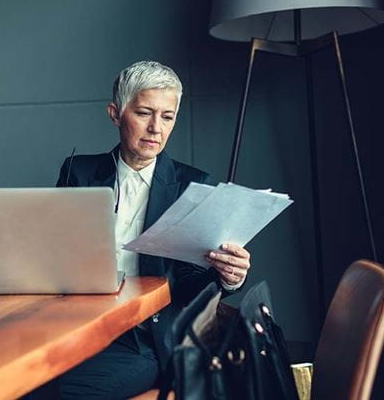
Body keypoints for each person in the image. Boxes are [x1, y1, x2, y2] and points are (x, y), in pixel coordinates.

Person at [56, 61, 251, 399]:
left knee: (68, 394)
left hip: (145, 337)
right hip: (76, 325)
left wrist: (228, 277)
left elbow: (192, 282)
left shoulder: (193, 185)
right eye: (144, 113)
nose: (155, 128)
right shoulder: (78, 172)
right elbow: (53, 253)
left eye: (167, 116)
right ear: (116, 114)